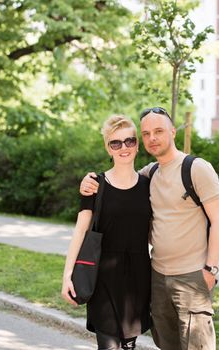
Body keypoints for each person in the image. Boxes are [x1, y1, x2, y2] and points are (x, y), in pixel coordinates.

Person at [80, 107, 219, 350]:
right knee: (167, 345)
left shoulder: (197, 168)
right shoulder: (150, 173)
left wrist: (210, 270)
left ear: (173, 131)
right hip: (157, 276)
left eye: (158, 131)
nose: (152, 138)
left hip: (192, 276)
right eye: (146, 133)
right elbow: (121, 184)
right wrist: (89, 181)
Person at [62, 115, 152, 350]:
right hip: (102, 277)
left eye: (129, 141)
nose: (124, 148)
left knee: (129, 345)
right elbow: (80, 231)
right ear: (108, 148)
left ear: (137, 145)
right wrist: (67, 276)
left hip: (138, 279)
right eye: (116, 143)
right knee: (109, 346)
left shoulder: (149, 185)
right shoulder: (95, 185)